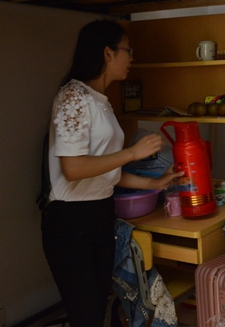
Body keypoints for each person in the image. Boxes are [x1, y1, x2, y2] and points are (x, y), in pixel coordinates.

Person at [42, 20, 181, 327]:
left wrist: (155, 182)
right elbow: (73, 168)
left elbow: (109, 173)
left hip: (101, 215)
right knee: (87, 316)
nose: (131, 57)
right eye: (127, 50)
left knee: (96, 311)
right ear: (108, 53)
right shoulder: (73, 97)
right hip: (70, 222)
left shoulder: (100, 102)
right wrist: (132, 153)